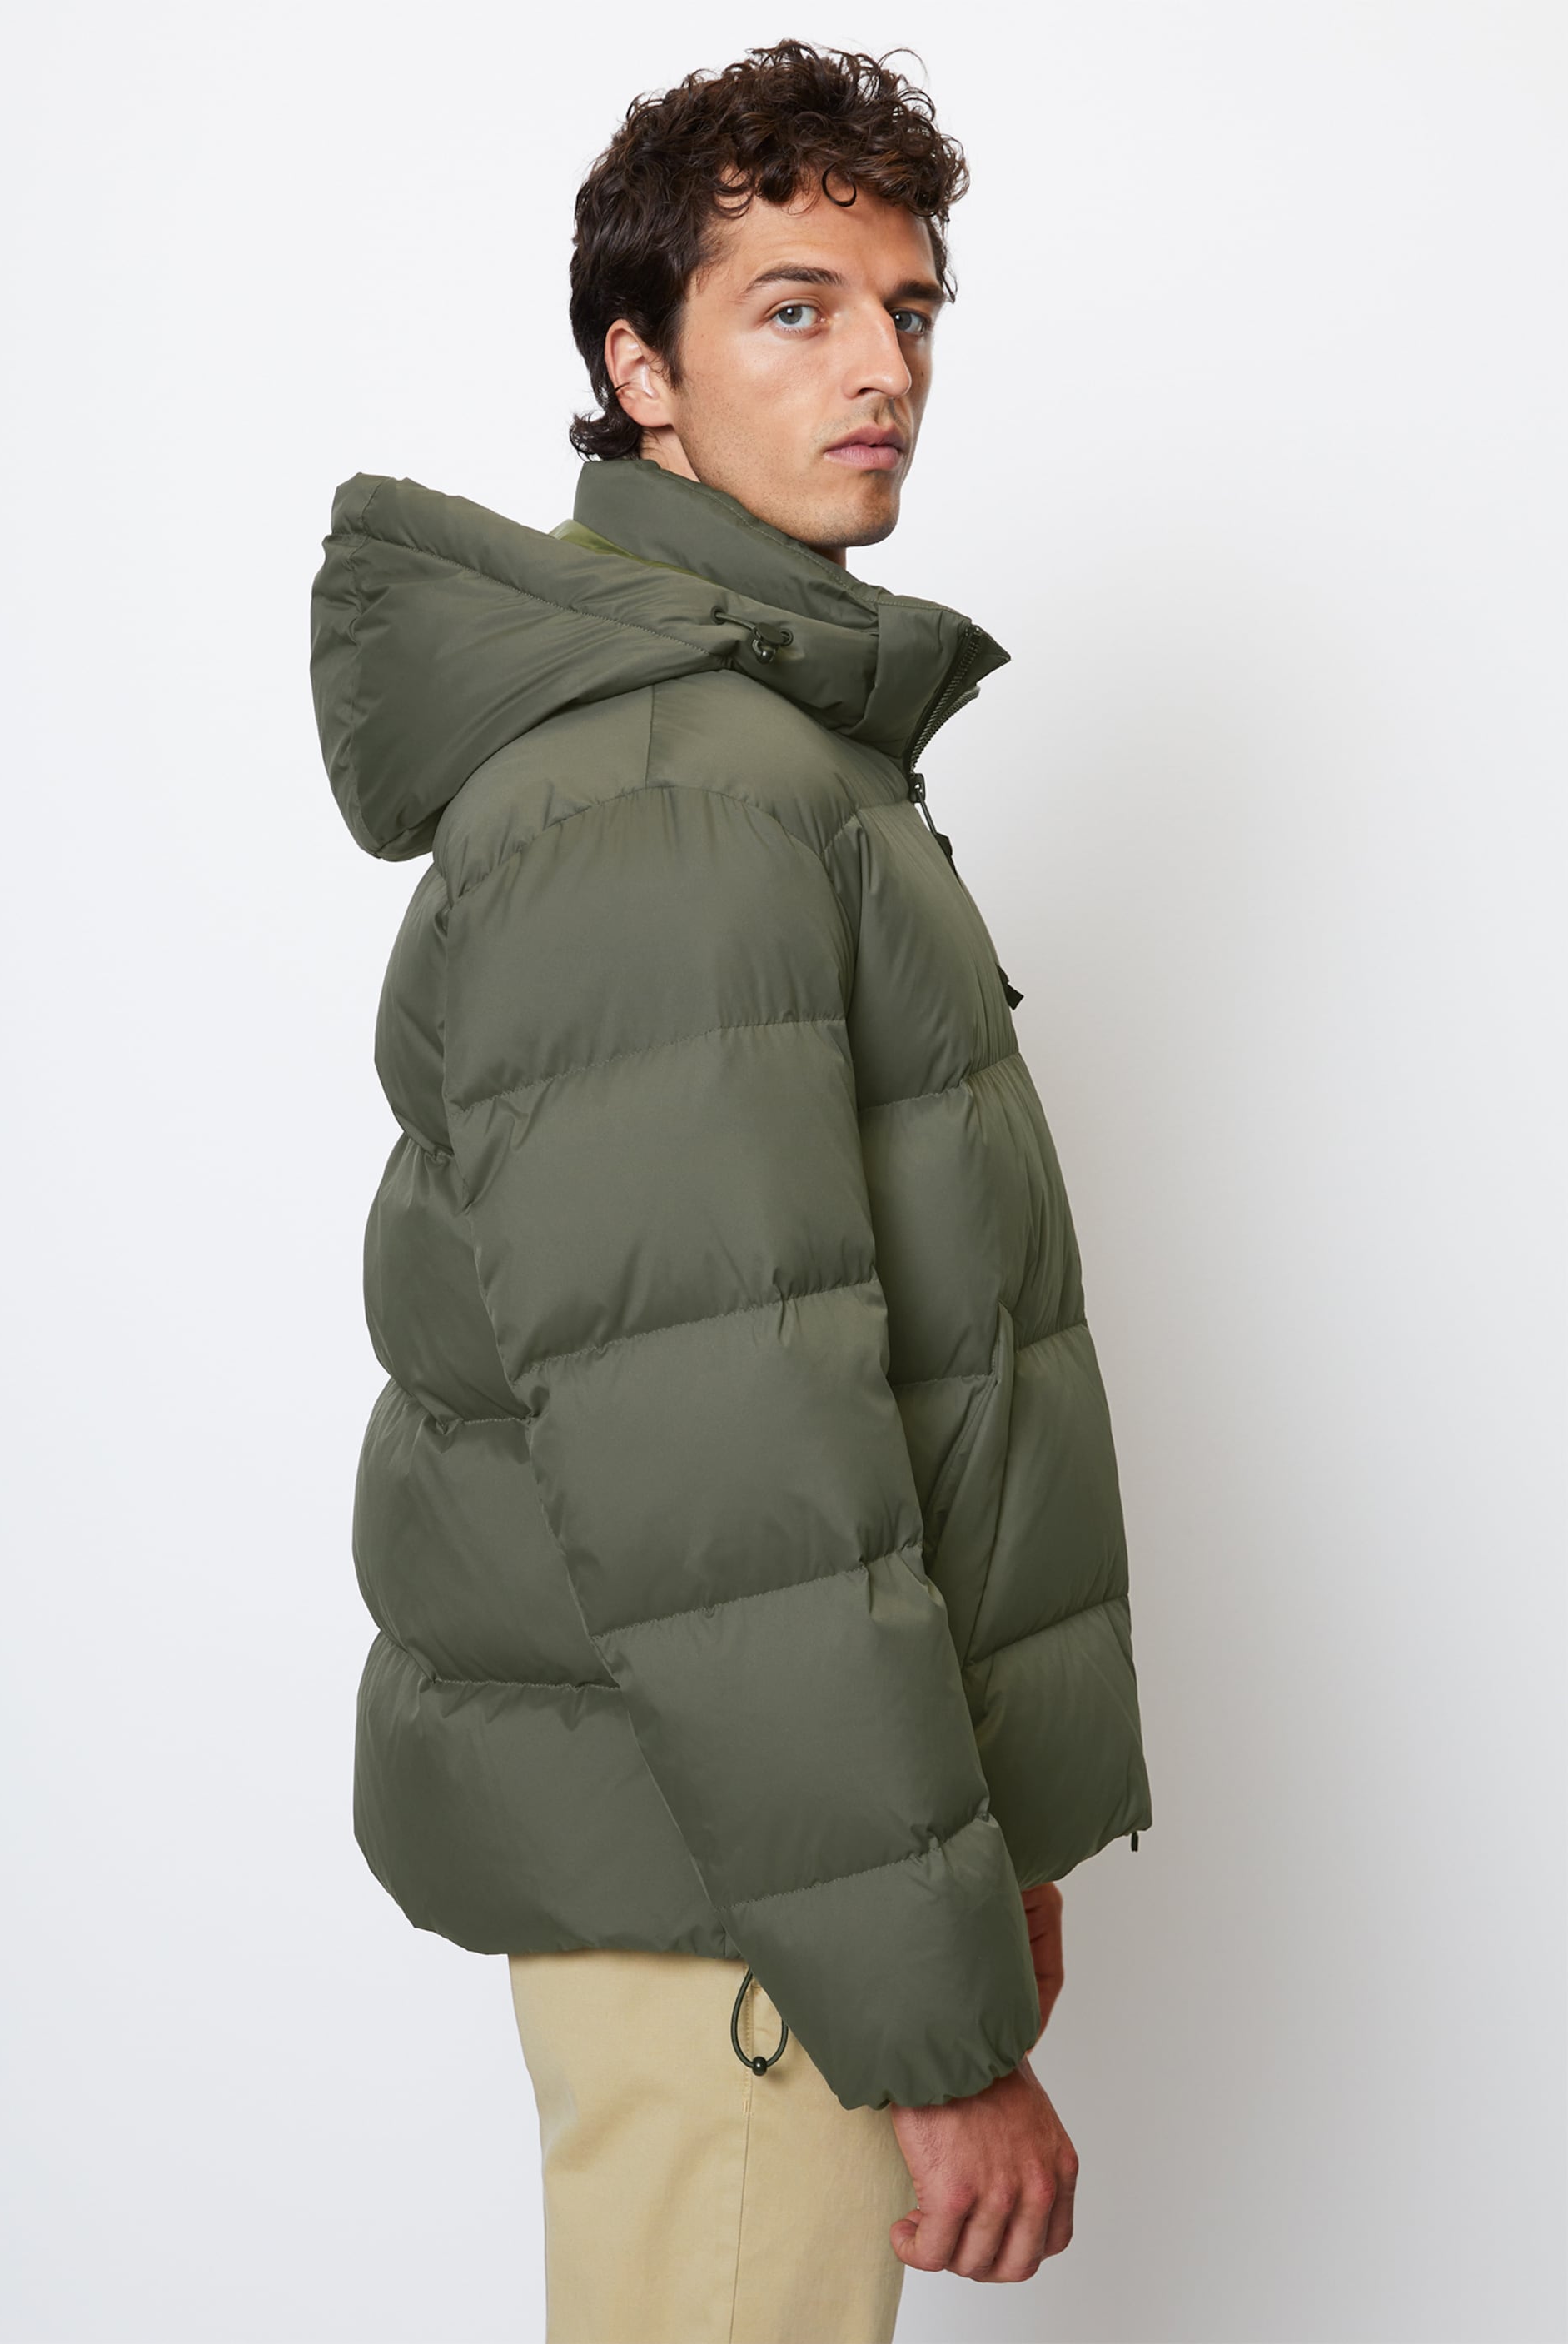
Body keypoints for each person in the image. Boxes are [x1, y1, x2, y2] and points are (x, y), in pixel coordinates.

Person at [310, 39, 1152, 2344]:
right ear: (637, 369)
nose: (882, 368)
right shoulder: (672, 788)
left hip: (770, 1883)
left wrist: (984, 1856)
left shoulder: (766, 752)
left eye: (909, 310)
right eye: (796, 307)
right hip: (740, 1911)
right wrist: (924, 2011)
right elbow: (727, 1480)